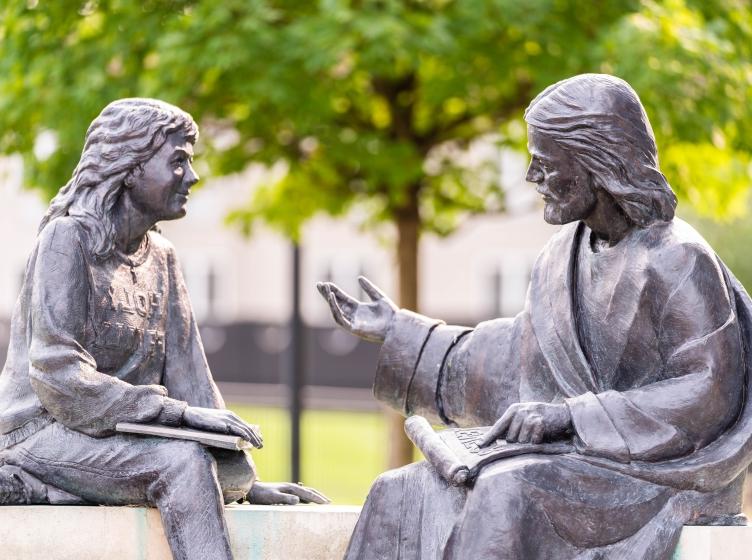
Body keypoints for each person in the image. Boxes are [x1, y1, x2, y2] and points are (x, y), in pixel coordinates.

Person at [318, 74, 752, 560]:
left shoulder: (677, 260)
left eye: (544, 161)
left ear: (597, 163)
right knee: (398, 489)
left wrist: (570, 416)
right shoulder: (560, 256)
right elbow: (515, 354)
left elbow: (709, 389)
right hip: (584, 461)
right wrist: (398, 331)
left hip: (660, 471)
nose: (531, 176)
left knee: (507, 492)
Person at [0, 98, 327, 560]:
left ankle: (52, 486)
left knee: (228, 471)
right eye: (178, 161)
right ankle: (31, 475)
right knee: (183, 464)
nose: (192, 176)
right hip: (39, 430)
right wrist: (178, 417)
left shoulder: (163, 258)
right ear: (129, 167)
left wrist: (244, 480)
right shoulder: (67, 240)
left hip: (117, 434)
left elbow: (192, 376)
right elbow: (57, 375)